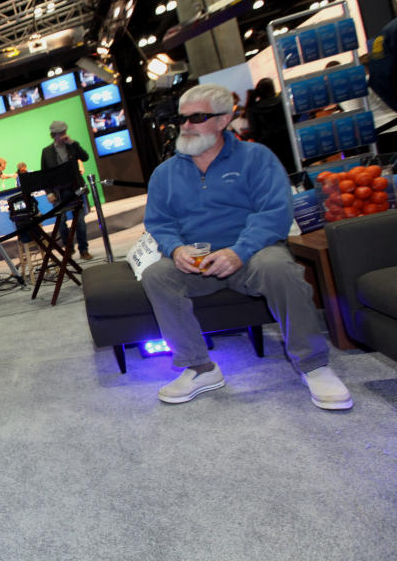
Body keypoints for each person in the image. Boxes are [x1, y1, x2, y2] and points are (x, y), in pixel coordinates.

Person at [140, 83, 352, 410]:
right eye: (181, 118)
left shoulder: (256, 158)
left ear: (224, 119)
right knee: (156, 274)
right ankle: (199, 367)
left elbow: (275, 212)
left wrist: (239, 251)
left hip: (251, 255)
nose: (185, 126)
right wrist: (174, 248)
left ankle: (314, 364)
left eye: (197, 117)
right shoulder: (164, 174)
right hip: (195, 263)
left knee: (278, 266)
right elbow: (159, 221)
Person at [39, 120, 93, 260]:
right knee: (61, 223)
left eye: (64, 132)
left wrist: (73, 143)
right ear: (54, 135)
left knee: (80, 221)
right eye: (60, 133)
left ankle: (84, 250)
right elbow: (45, 175)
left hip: (76, 190)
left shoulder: (72, 146)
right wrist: (49, 192)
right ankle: (68, 249)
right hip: (58, 193)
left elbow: (85, 157)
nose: (63, 135)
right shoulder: (47, 152)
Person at [245, 78, 296, 173]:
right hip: (288, 141)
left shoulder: (253, 108)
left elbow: (255, 132)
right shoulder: (282, 101)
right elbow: (293, 117)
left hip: (268, 147)